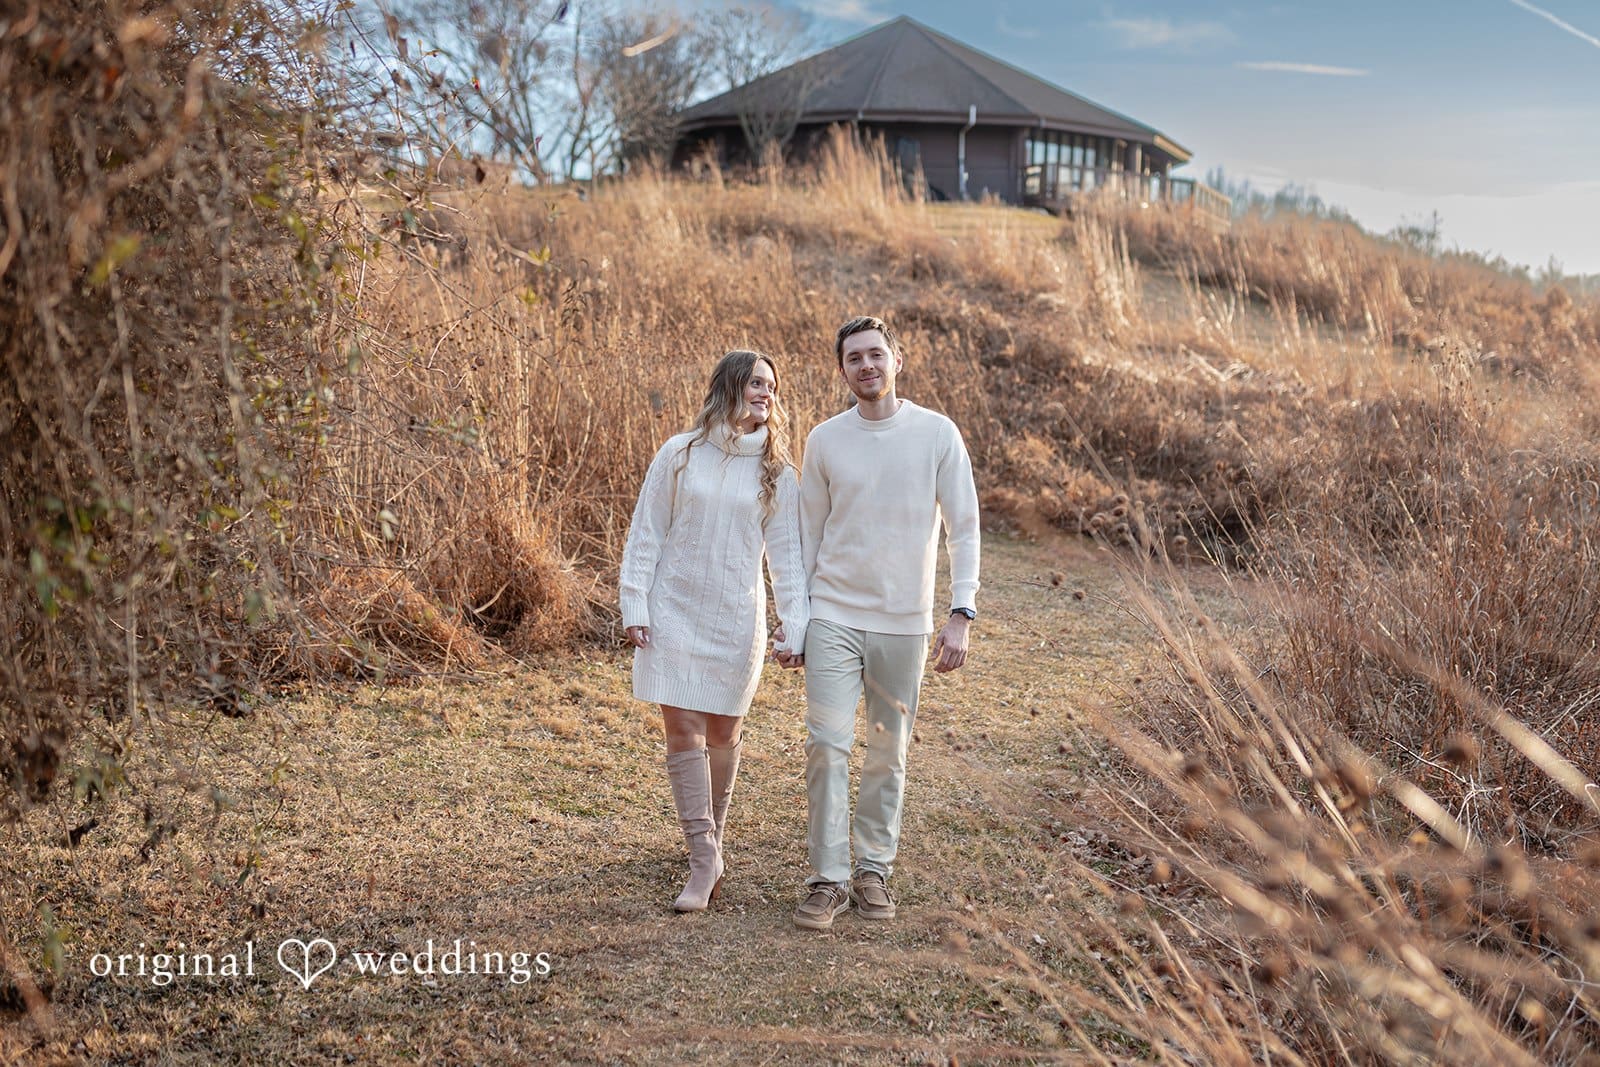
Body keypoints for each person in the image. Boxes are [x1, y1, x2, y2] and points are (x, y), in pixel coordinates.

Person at [779, 314, 981, 930]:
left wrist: (961, 612)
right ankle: (827, 878)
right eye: (853, 359)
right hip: (835, 614)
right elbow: (806, 536)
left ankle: (873, 871)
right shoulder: (825, 440)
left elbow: (964, 527)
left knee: (887, 752)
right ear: (842, 371)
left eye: (875, 355)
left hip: (905, 621)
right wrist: (798, 621)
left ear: (897, 359)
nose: (866, 366)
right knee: (827, 745)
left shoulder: (937, 434)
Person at [619, 350, 808, 912]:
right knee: (682, 729)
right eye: (755, 383)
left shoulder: (778, 472)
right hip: (675, 608)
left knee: (724, 734)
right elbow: (646, 529)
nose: (765, 394)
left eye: (771, 386)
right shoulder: (679, 454)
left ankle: (712, 838)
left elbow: (789, 560)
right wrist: (635, 600)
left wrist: (794, 624)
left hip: (735, 618)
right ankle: (703, 858)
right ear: (728, 387)